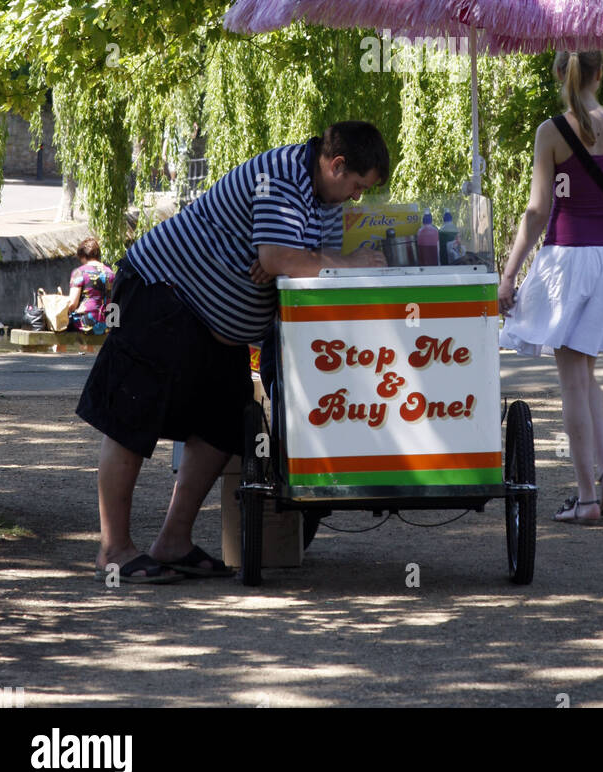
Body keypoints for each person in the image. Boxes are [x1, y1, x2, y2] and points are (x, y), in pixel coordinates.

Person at [76, 121, 390, 583]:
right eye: (357, 187)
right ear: (337, 164)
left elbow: (292, 261)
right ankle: (114, 550)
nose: (356, 199)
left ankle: (173, 541)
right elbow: (283, 259)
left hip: (213, 326)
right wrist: (297, 260)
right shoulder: (283, 175)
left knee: (224, 425)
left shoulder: (323, 197)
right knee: (131, 418)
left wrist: (285, 259)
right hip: (163, 293)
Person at [498, 49, 603, 525]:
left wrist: (509, 274)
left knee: (572, 382)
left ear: (560, 73)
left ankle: (585, 500)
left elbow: (538, 212)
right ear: (601, 73)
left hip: (569, 260)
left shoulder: (551, 132)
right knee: (588, 375)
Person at [67, 238, 115, 334]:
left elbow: (72, 304)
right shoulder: (111, 273)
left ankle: (59, 349)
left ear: (83, 256)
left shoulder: (80, 272)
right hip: (110, 324)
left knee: (59, 327)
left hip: (87, 323)